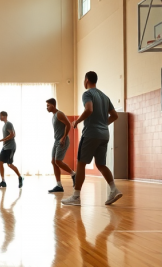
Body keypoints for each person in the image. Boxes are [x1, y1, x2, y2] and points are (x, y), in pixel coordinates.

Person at [62, 71, 122, 206]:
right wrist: (102, 124)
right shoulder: (105, 97)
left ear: (87, 80)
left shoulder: (87, 94)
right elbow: (114, 115)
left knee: (81, 163)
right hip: (104, 134)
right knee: (101, 164)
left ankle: (76, 196)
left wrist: (77, 121)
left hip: (91, 134)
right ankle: (114, 189)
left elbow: (89, 109)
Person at [46, 98, 76, 193]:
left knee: (58, 161)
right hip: (56, 141)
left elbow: (68, 124)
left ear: (53, 105)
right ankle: (59, 185)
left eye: (48, 105)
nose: (47, 107)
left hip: (62, 140)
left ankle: (73, 174)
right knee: (53, 161)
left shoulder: (59, 114)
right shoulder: (54, 115)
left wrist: (63, 137)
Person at [0, 111, 23, 188]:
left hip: (10, 147)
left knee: (9, 164)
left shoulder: (9, 124)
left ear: (5, 116)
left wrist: (0, 140)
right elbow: (13, 134)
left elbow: (13, 134)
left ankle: (20, 177)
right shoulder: (4, 126)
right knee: (0, 162)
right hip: (5, 147)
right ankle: (3, 181)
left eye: (1, 116)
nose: (0, 117)